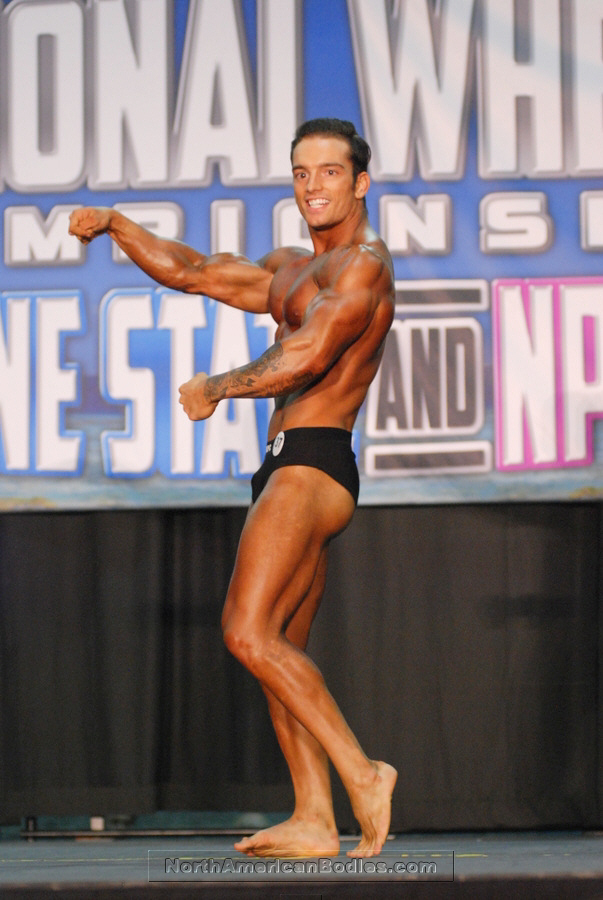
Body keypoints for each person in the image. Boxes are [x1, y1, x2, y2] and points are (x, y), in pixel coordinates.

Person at [69, 118, 397, 858]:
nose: (313, 186)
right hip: (287, 463)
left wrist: (217, 386)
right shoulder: (296, 269)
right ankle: (313, 817)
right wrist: (119, 225)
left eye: (330, 172)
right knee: (279, 650)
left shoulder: (363, 269)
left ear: (360, 182)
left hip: (311, 463)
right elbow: (194, 271)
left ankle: (362, 772)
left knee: (245, 631)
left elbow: (309, 355)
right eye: (301, 173)